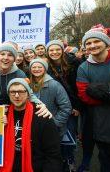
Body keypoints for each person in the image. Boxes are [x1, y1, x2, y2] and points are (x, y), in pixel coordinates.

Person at [76, 26, 110, 172]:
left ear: (106, 43)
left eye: (96, 41)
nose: (92, 45)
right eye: (88, 43)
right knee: (106, 161)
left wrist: (100, 91)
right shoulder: (83, 67)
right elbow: (84, 95)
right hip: (101, 123)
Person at [0, 78, 62, 172]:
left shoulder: (42, 116)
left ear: (28, 94)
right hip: (7, 167)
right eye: (12, 92)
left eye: (21, 91)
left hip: (34, 166)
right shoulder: (2, 115)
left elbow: (53, 154)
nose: (16, 95)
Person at [46, 39, 82, 171]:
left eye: (57, 49)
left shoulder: (74, 62)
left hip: (73, 106)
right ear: (47, 52)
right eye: (51, 50)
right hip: (56, 107)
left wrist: (78, 106)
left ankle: (70, 159)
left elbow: (79, 86)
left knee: (70, 134)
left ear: (62, 50)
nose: (54, 52)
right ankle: (61, 159)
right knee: (58, 134)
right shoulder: (47, 67)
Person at [29, 58, 72, 137]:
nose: (37, 69)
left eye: (40, 67)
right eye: (34, 67)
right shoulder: (28, 85)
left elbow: (66, 107)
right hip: (34, 129)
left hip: (52, 130)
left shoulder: (54, 85)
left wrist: (55, 123)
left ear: (45, 69)